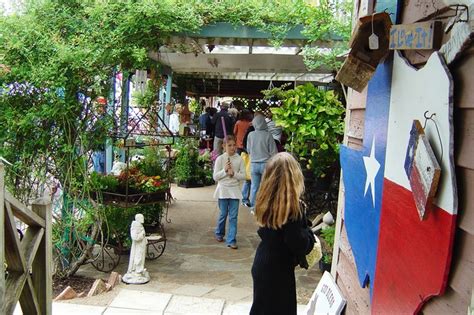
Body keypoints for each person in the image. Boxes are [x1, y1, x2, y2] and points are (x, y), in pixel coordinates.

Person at [250, 153, 316, 315]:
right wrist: (310, 235)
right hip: (278, 270)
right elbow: (299, 244)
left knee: (261, 309)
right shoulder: (293, 209)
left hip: (263, 262)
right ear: (294, 177)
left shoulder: (265, 200)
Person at [213, 135, 246, 249]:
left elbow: (244, 175)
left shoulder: (239, 159)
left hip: (234, 191)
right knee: (223, 214)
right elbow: (215, 177)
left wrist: (234, 174)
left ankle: (232, 240)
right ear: (223, 146)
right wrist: (225, 171)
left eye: (234, 145)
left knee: (233, 216)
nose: (232, 148)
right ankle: (219, 233)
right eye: (229, 145)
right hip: (223, 190)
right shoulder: (220, 159)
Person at [247, 114, 277, 212]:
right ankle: (265, 206)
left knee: (254, 187)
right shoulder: (268, 135)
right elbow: (274, 152)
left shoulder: (250, 135)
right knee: (266, 186)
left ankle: (253, 207)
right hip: (266, 164)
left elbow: (248, 150)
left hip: (254, 164)